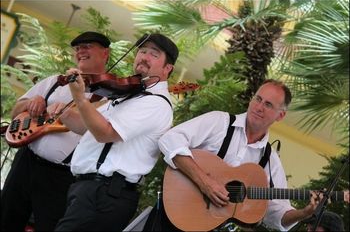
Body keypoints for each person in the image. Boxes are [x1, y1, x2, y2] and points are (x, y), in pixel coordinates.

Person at [157, 79, 323, 231]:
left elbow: (277, 215)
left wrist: (304, 213)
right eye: (258, 99)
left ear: (280, 115)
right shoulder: (219, 123)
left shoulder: (270, 161)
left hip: (211, 226)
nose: (259, 107)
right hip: (174, 213)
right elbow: (170, 139)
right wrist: (205, 182)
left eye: (268, 104)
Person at [54, 33, 178, 231]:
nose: (144, 57)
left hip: (106, 193)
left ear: (167, 68)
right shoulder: (128, 94)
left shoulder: (156, 103)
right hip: (88, 190)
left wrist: (80, 99)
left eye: (154, 54)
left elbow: (105, 133)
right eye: (142, 51)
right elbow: (88, 128)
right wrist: (66, 114)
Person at [0, 31, 110, 231]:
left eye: (87, 46)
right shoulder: (55, 81)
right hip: (25, 162)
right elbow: (16, 110)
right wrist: (33, 102)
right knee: (4, 219)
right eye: (77, 48)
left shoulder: (108, 97)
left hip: (60, 176)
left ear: (105, 54)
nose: (81, 51)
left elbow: (99, 133)